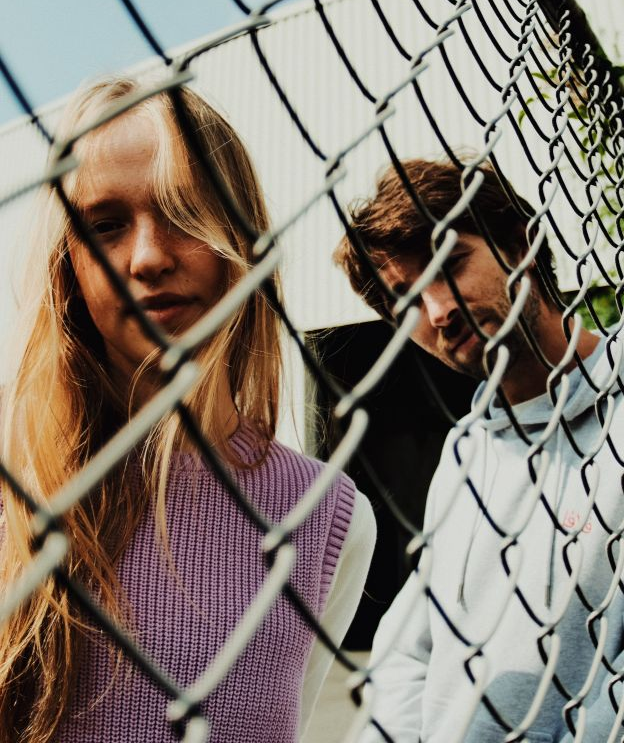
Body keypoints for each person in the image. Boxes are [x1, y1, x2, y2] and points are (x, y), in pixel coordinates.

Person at [0, 77, 375, 743]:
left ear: (243, 236)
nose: (147, 258)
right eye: (105, 225)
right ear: (69, 269)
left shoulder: (328, 518)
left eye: (183, 211)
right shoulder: (14, 487)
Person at [334, 157, 624, 742]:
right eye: (406, 298)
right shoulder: (465, 453)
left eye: (450, 264)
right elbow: (408, 654)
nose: (438, 310)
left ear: (520, 244)